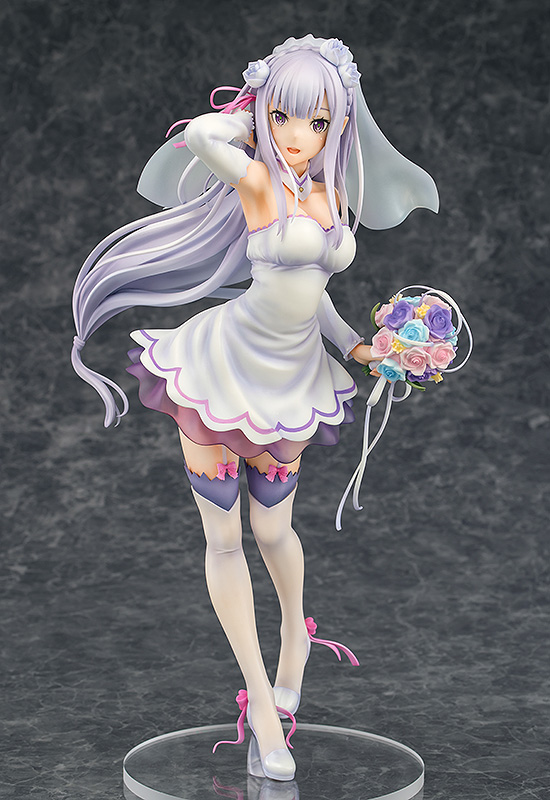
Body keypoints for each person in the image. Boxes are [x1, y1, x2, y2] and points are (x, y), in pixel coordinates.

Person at [71, 35, 439, 781]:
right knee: (225, 539)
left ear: (340, 125)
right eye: (283, 116)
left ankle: (296, 638)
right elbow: (203, 138)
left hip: (292, 380)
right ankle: (264, 711)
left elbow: (316, 298)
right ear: (265, 115)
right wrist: (249, 115)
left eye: (317, 121)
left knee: (274, 527)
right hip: (224, 371)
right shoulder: (259, 182)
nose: (298, 136)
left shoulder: (332, 198)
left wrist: (359, 348)